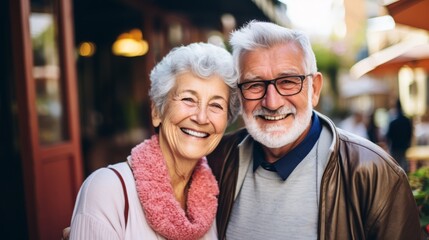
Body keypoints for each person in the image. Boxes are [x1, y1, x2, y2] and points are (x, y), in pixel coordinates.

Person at [207, 21, 421, 239]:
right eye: (254, 85)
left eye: (288, 82)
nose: (272, 102)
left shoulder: (375, 173)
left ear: (315, 89)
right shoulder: (215, 160)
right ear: (239, 95)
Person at [66, 42, 240, 239]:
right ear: (157, 111)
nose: (201, 117)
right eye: (188, 99)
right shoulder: (107, 190)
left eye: (216, 105)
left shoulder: (216, 200)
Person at [386, 98, 413, 173]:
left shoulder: (393, 122)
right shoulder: (407, 120)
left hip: (395, 148)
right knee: (405, 167)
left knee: (396, 168)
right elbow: (410, 133)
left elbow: (389, 136)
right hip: (405, 147)